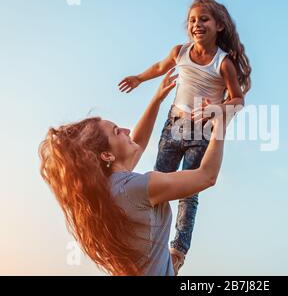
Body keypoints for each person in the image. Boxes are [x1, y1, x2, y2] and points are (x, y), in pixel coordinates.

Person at [39, 70, 228, 275]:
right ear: (106, 156)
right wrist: (219, 124)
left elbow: (136, 142)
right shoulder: (134, 188)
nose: (126, 131)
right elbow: (207, 176)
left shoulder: (108, 189)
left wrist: (157, 99)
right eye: (116, 131)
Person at [118, 0, 251, 274]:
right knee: (157, 183)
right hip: (174, 124)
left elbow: (238, 100)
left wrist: (217, 109)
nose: (196, 24)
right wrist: (139, 79)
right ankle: (148, 239)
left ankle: (177, 251)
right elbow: (158, 67)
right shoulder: (180, 51)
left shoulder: (223, 63)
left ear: (219, 26)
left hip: (200, 132)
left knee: (188, 192)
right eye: (192, 20)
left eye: (204, 19)